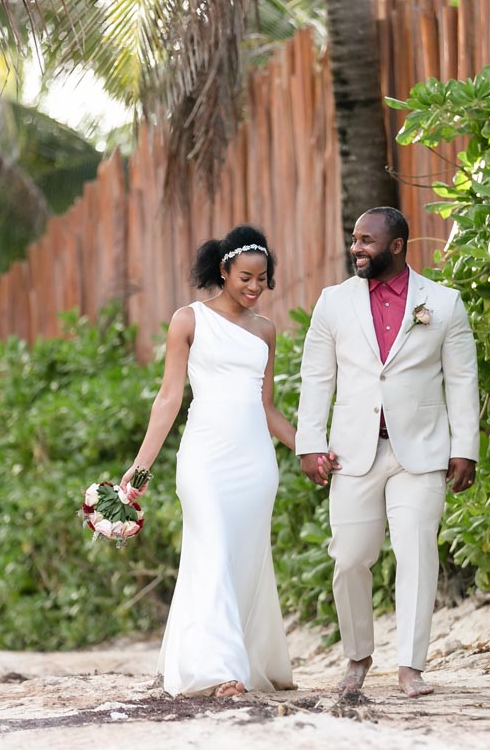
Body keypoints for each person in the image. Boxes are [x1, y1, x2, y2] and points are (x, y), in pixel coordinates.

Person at [295, 207, 480, 698]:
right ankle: (357, 657)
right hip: (352, 453)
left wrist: (466, 448)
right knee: (350, 559)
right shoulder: (333, 302)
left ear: (396, 246)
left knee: (417, 554)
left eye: (366, 241)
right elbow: (317, 376)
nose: (356, 248)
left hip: (420, 452)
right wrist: (309, 443)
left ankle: (410, 667)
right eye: (354, 239)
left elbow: (462, 380)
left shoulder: (444, 303)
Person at [121, 225, 296, 699]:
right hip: (204, 459)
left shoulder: (265, 331)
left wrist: (310, 450)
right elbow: (169, 398)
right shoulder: (189, 320)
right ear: (223, 270)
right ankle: (219, 670)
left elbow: (267, 407)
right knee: (213, 550)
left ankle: (246, 658)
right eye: (245, 277)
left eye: (262, 279)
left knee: (243, 559)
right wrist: (140, 467)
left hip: (255, 464)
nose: (255, 287)